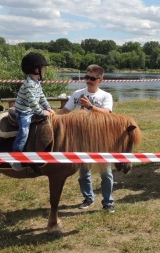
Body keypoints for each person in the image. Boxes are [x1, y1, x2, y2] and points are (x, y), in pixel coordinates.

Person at [58, 64, 116, 212]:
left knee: (106, 173)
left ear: (100, 80)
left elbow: (107, 113)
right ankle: (88, 198)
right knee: (83, 172)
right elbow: (65, 110)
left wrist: (90, 107)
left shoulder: (105, 96)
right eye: (86, 77)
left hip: (100, 138)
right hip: (82, 138)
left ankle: (108, 202)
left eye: (92, 78)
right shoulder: (77, 93)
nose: (88, 81)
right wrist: (50, 115)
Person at [12, 52, 55, 171]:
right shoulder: (29, 84)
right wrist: (42, 112)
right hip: (24, 112)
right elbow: (33, 103)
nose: (45, 70)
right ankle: (15, 158)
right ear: (37, 69)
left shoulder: (36, 83)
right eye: (43, 68)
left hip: (31, 110)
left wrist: (48, 107)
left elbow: (42, 97)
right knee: (24, 133)